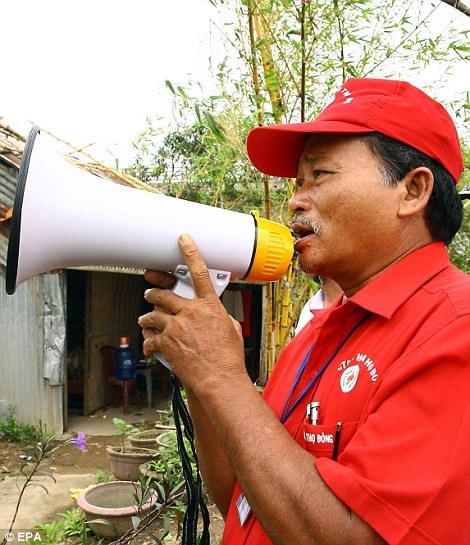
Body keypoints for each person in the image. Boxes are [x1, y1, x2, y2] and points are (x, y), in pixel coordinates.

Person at [138, 78, 470, 545]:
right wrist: (202, 376)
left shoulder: (455, 331)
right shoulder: (317, 332)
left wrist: (222, 377)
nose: (296, 198)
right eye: (298, 181)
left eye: (321, 175)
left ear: (413, 191)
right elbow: (241, 495)